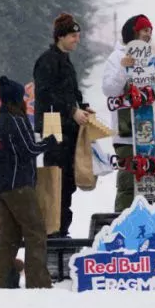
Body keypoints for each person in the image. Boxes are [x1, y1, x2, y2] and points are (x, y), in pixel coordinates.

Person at [102, 14, 155, 211]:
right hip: (127, 133)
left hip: (154, 132)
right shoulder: (116, 58)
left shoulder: (153, 59)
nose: (149, 35)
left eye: (150, 31)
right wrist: (124, 69)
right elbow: (109, 90)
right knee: (127, 183)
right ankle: (123, 222)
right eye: (145, 30)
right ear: (133, 32)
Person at [0, 75, 58, 289]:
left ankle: (4, 280)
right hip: (18, 186)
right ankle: (38, 283)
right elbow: (29, 149)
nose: (25, 101)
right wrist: (49, 142)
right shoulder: (16, 120)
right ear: (16, 99)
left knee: (9, 235)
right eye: (23, 97)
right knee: (35, 231)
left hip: (1, 187)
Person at [33, 12, 93, 238]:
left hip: (69, 128)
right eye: (72, 36)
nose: (77, 39)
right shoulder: (47, 61)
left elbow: (71, 90)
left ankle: (62, 227)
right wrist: (71, 109)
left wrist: (83, 105)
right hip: (53, 126)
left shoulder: (66, 61)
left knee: (67, 180)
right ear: (60, 36)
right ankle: (52, 228)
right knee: (54, 178)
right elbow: (47, 94)